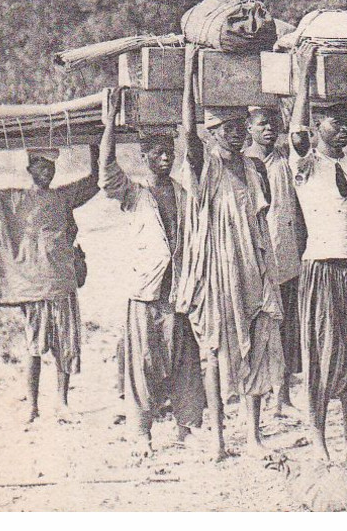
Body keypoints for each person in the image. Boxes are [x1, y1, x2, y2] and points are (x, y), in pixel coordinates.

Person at [0, 143, 99, 426]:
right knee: (34, 347)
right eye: (40, 165)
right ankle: (32, 407)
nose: (46, 171)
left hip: (62, 284)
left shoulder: (63, 197)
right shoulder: (10, 201)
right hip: (33, 287)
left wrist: (94, 142)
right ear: (29, 168)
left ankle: (62, 403)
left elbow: (95, 181)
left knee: (64, 346)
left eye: (50, 166)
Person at [176, 105, 286, 462]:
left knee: (256, 344)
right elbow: (189, 137)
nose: (236, 133)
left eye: (240, 126)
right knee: (213, 352)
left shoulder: (254, 168)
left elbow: (260, 222)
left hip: (253, 267)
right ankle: (218, 439)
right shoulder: (204, 166)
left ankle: (253, 435)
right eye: (226, 128)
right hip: (215, 271)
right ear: (212, 133)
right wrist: (192, 71)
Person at [98, 125, 206, 453]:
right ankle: (142, 433)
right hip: (146, 292)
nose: (164, 158)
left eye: (168, 153)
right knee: (143, 363)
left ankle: (186, 429)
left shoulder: (183, 194)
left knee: (184, 360)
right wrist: (109, 123)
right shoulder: (135, 193)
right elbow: (106, 173)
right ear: (144, 157)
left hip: (178, 291)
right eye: (157, 153)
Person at [290, 100, 347, 464]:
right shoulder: (305, 164)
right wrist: (305, 75)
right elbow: (295, 133)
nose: (343, 129)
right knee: (323, 357)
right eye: (334, 122)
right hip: (322, 270)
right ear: (315, 126)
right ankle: (318, 441)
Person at [245, 105, 304, 417]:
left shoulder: (283, 157)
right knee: (264, 331)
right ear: (250, 128)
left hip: (288, 257)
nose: (269, 129)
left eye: (273, 124)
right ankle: (265, 394)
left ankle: (283, 396)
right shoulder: (245, 163)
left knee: (287, 329)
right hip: (259, 263)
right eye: (262, 124)